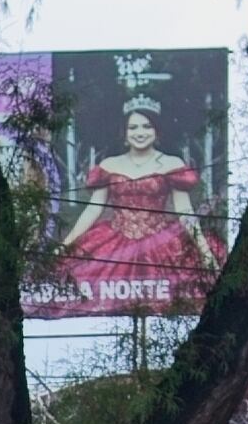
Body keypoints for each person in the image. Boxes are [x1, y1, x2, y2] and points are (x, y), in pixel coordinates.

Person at [54, 99, 226, 311]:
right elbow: (93, 208)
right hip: (115, 241)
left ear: (157, 131)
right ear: (125, 133)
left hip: (161, 243)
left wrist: (205, 251)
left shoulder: (172, 164)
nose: (140, 133)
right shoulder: (109, 165)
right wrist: (66, 244)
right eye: (133, 127)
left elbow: (185, 211)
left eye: (147, 126)